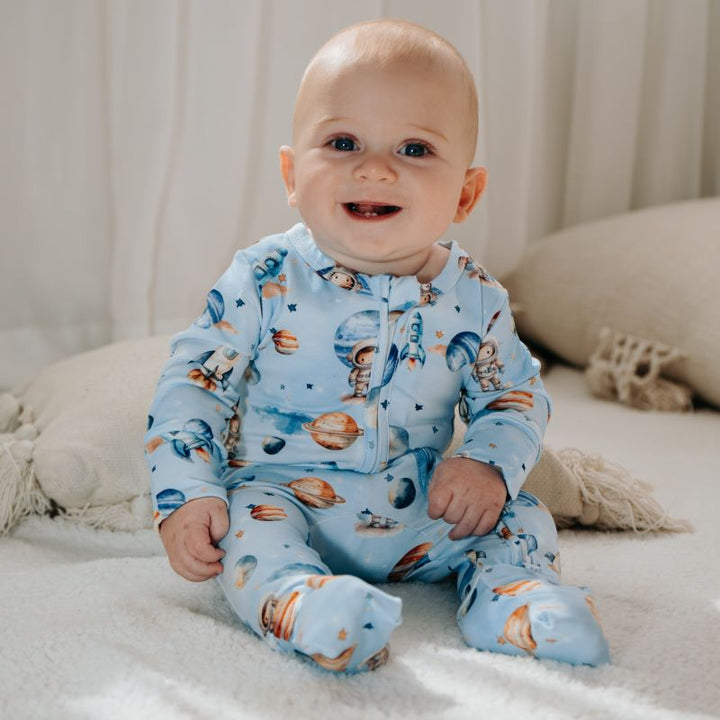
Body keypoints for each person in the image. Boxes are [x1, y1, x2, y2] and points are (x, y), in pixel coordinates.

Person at [145, 18, 610, 672]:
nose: (374, 168)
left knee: (519, 515)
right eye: (342, 142)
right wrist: (187, 491)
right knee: (242, 532)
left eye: (415, 150)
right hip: (284, 500)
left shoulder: (473, 297)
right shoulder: (262, 280)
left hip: (418, 515)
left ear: (466, 193)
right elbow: (194, 387)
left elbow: (512, 395)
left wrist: (484, 463)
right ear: (291, 173)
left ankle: (516, 601)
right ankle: (303, 604)